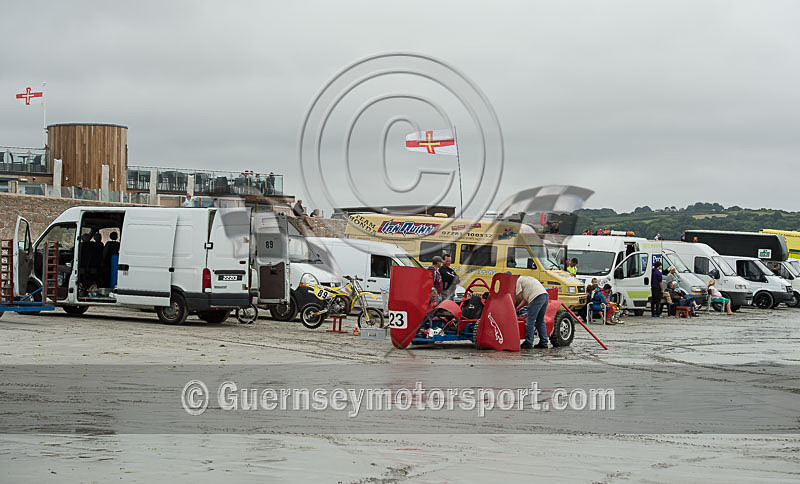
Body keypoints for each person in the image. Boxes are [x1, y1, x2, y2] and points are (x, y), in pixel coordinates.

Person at [515, 276, 549, 349]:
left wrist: (514, 306)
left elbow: (519, 297)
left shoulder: (518, 281)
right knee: (540, 321)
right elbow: (525, 300)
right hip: (545, 296)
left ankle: (528, 342)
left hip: (536, 297)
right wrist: (517, 308)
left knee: (530, 321)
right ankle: (544, 342)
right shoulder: (526, 279)